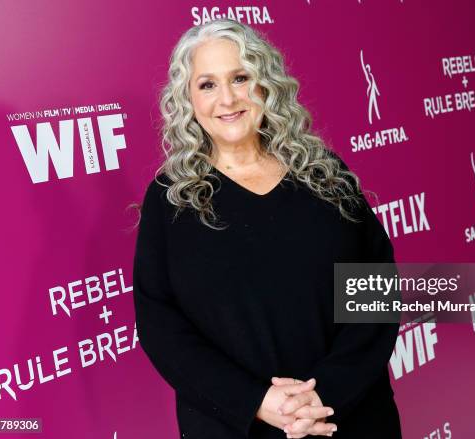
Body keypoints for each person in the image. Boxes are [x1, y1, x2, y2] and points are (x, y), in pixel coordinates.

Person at [132, 18, 401, 439]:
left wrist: (324, 394)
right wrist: (255, 402)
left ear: (265, 83)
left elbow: (376, 289)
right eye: (207, 84)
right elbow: (161, 328)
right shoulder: (170, 199)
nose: (227, 99)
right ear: (187, 98)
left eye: (240, 77)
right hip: (234, 428)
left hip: (348, 418)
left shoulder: (325, 175)